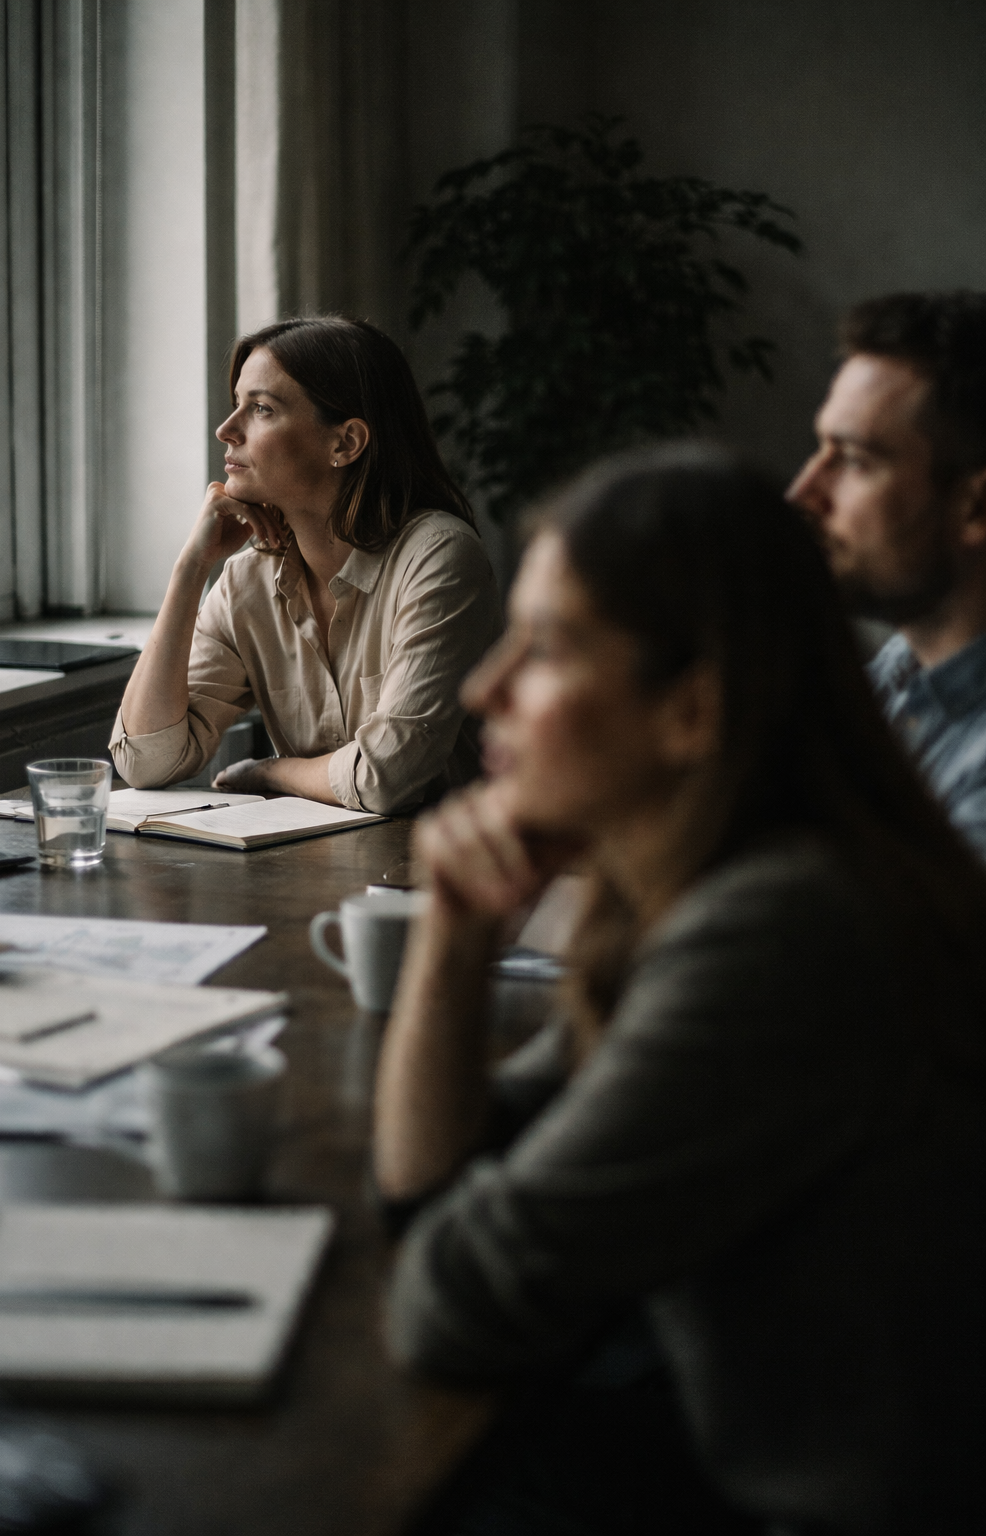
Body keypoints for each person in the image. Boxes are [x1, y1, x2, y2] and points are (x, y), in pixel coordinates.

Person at [374, 446, 986, 1535]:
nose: (483, 690)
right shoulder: (727, 879)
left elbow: (453, 1302)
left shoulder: (783, 928)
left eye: (545, 649)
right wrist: (454, 939)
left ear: (691, 710)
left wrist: (450, 1217)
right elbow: (458, 1173)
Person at [111, 316, 502, 814]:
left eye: (262, 409)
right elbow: (147, 762)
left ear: (345, 443)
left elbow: (386, 777)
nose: (226, 430)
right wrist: (190, 568)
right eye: (237, 404)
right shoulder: (246, 581)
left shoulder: (439, 557)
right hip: (308, 859)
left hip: (445, 856)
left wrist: (269, 773)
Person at [787, 291, 986, 856]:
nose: (802, 493)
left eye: (853, 461)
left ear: (976, 508)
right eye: (819, 450)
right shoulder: (894, 676)